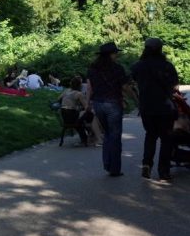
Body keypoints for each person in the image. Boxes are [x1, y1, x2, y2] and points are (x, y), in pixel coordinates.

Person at [131, 38, 179, 181]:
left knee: (150, 136)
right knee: (166, 139)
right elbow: (175, 87)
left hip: (147, 107)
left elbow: (130, 83)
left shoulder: (137, 66)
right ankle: (164, 171)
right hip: (165, 108)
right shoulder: (167, 66)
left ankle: (147, 164)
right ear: (160, 49)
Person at [87, 42, 132, 177]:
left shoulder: (92, 69)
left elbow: (90, 88)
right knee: (115, 136)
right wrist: (135, 99)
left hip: (98, 104)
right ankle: (115, 169)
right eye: (115, 53)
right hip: (113, 105)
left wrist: (88, 103)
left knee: (107, 133)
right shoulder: (117, 68)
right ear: (110, 54)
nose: (116, 55)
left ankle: (107, 164)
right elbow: (125, 87)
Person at [59, 77, 95, 146]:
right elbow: (86, 107)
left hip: (64, 115)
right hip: (72, 116)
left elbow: (58, 99)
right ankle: (90, 131)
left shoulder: (66, 91)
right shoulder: (79, 94)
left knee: (81, 117)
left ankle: (87, 135)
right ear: (80, 85)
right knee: (89, 114)